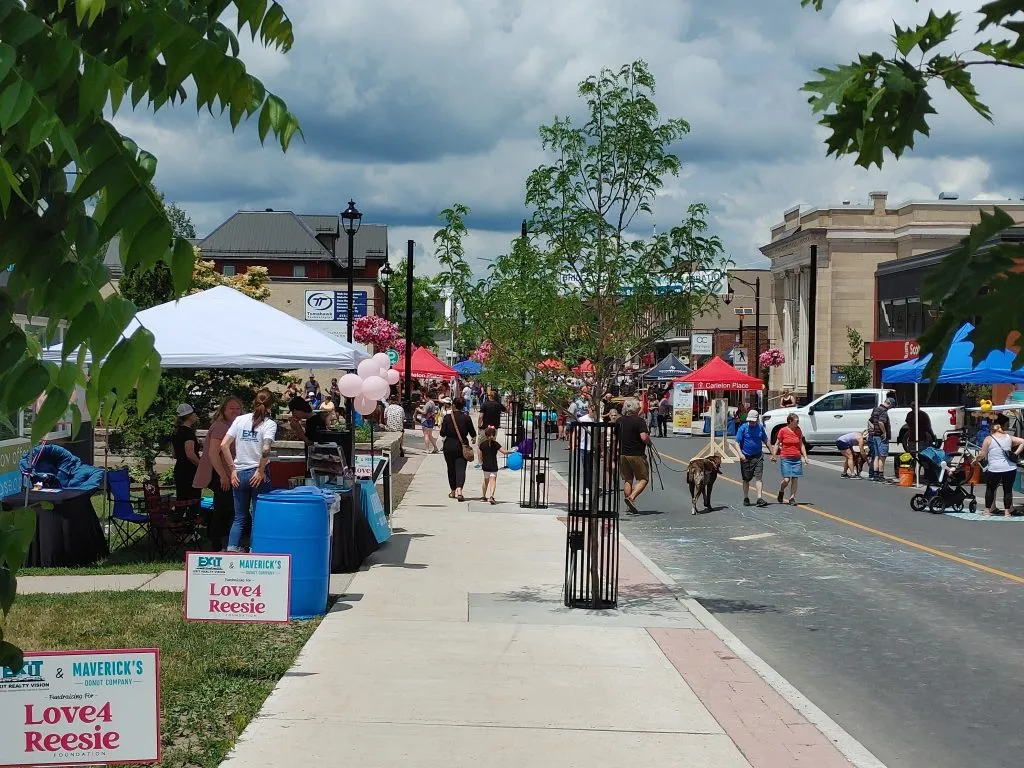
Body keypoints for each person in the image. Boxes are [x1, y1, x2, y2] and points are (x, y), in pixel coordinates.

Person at [220, 389, 278, 552]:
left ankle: (232, 548)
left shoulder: (239, 420)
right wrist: (260, 470)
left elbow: (224, 445)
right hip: (257, 473)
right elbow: (266, 449)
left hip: (239, 473)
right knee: (257, 517)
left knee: (239, 517)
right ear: (270, 405)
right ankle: (255, 548)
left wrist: (232, 470)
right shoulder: (269, 424)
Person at [193, 396, 243, 550]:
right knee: (223, 510)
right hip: (220, 475)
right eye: (231, 408)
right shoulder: (220, 427)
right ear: (223, 410)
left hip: (230, 474)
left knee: (228, 510)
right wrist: (223, 476)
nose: (235, 411)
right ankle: (218, 545)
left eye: (237, 408)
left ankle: (225, 543)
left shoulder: (235, 425)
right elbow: (213, 453)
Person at [977, 414, 1024, 516]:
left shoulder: (988, 439)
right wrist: (1015, 454)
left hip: (994, 469)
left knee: (990, 489)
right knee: (1007, 490)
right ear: (1004, 425)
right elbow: (1023, 442)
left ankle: (987, 511)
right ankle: (1007, 512)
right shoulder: (1009, 437)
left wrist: (976, 459)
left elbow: (982, 454)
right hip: (1010, 468)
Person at [439, 396, 476, 501]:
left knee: (450, 468)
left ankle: (453, 491)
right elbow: (472, 433)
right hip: (462, 445)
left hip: (449, 445)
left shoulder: (447, 417)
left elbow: (442, 433)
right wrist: (473, 439)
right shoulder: (466, 417)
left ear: (453, 405)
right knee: (460, 468)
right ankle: (459, 490)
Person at [617, 398, 650, 514]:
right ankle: (631, 498)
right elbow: (644, 437)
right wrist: (649, 441)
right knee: (644, 478)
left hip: (622, 453)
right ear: (636, 408)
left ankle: (629, 505)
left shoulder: (619, 420)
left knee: (628, 479)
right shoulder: (639, 421)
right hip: (636, 454)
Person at [770, 413, 809, 505]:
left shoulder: (798, 431)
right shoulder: (783, 431)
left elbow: (801, 444)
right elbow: (777, 443)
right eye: (796, 421)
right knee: (786, 480)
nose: (798, 423)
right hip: (786, 457)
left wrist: (805, 457)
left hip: (796, 458)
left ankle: (792, 498)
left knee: (795, 479)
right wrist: (774, 455)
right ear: (790, 421)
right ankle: (781, 490)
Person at [735, 409, 770, 507]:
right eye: (750, 421)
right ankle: (746, 497)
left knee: (759, 477)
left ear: (757, 420)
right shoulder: (743, 428)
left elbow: (766, 440)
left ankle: (759, 498)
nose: (751, 423)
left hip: (758, 456)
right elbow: (736, 442)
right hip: (746, 457)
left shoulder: (760, 428)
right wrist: (740, 454)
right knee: (746, 479)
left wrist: (773, 453)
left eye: (753, 421)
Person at [171, 403, 202, 513]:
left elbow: (174, 454)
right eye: (194, 414)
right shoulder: (188, 433)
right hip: (189, 471)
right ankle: (190, 525)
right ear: (189, 416)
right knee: (193, 500)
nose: (196, 416)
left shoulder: (176, 432)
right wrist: (201, 466)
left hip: (179, 469)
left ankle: (178, 525)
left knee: (181, 500)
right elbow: (190, 454)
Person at [288, 396, 327, 461]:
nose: (293, 414)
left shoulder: (314, 421)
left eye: (293, 411)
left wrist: (298, 428)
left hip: (316, 461)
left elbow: (310, 443)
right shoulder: (312, 419)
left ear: (299, 409)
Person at [868, 397, 895, 482]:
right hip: (881, 437)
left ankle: (875, 475)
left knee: (876, 456)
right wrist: (884, 433)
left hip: (874, 436)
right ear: (889, 404)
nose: (891, 408)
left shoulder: (876, 409)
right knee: (882, 456)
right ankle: (881, 475)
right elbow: (881, 422)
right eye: (892, 406)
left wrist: (873, 428)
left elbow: (870, 421)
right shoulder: (883, 411)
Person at [478, 426, 507, 504]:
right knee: (493, 481)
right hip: (493, 465)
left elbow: (480, 455)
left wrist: (480, 462)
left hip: (485, 465)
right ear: (493, 435)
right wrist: (512, 451)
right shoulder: (495, 444)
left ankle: (483, 496)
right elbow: (504, 452)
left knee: (485, 480)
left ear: (486, 435)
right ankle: (491, 496)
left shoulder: (482, 444)